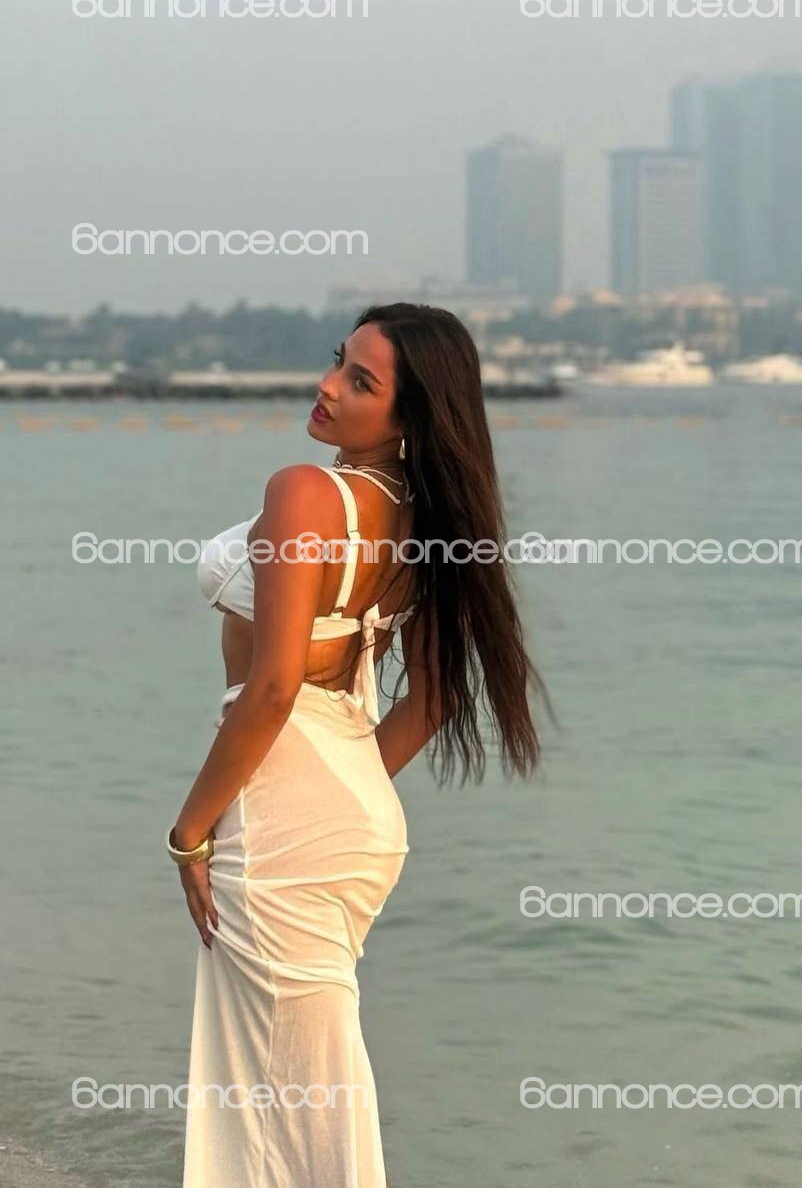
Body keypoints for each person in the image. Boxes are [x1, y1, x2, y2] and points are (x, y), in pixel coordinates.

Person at [170, 303, 552, 1186]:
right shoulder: (425, 518)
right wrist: (342, 786)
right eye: (338, 362)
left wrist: (188, 833)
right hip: (348, 813)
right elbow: (436, 695)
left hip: (285, 819)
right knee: (295, 1090)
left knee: (283, 1096)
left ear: (410, 414)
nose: (328, 386)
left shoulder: (306, 492)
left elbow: (273, 689)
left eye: (360, 381)